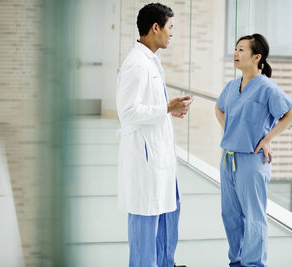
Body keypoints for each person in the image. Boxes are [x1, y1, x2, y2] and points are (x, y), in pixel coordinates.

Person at [116, 3, 193, 267]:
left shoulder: (150, 61)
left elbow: (149, 107)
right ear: (155, 27)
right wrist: (166, 108)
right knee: (145, 226)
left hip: (159, 158)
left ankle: (164, 263)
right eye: (170, 27)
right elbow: (127, 112)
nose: (172, 33)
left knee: (168, 214)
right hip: (145, 161)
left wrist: (169, 110)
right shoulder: (137, 65)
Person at [215, 33, 292, 267]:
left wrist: (267, 138)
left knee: (254, 218)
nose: (235, 53)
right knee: (230, 216)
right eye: (235, 48)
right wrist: (229, 129)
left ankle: (253, 265)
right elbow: (219, 108)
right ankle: (237, 261)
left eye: (242, 50)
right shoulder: (232, 86)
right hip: (227, 159)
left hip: (252, 162)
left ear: (257, 57)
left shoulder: (267, 87)